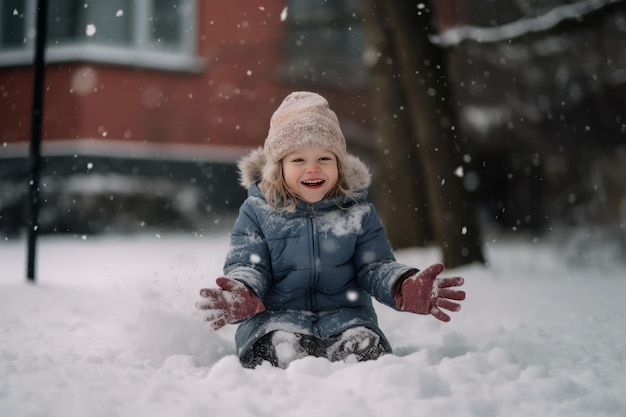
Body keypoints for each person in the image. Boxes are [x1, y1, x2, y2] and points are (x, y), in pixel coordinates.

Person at [195, 91, 465, 369]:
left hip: (346, 318)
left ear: (338, 164)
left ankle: (353, 351)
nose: (312, 169)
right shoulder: (258, 212)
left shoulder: (358, 214)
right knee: (276, 345)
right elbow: (249, 264)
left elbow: (375, 267)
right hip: (274, 319)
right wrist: (244, 291)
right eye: (298, 160)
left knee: (363, 346)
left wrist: (403, 285)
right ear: (278, 168)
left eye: (324, 158)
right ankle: (286, 353)